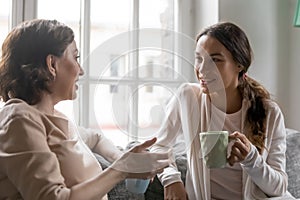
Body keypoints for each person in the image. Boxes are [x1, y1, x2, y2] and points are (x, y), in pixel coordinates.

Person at [0, 19, 172, 200]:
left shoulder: (52, 117)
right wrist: (121, 169)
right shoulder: (19, 121)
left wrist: (122, 158)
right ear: (52, 65)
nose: (81, 70)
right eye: (75, 58)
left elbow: (96, 139)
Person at [150, 22, 294, 199]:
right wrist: (171, 180)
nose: (202, 69)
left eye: (215, 60)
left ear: (239, 64)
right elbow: (159, 146)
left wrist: (251, 159)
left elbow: (279, 188)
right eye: (199, 58)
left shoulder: (269, 112)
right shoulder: (188, 98)